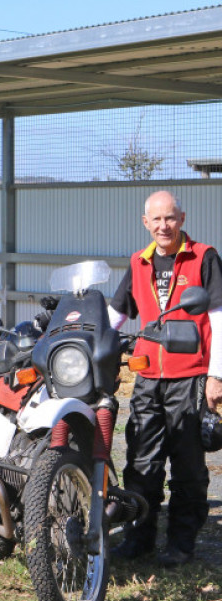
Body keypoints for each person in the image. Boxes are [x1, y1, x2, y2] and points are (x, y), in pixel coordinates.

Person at [107, 190, 222, 567]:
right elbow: (116, 315)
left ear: (182, 218)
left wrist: (217, 375)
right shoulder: (138, 263)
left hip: (189, 379)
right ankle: (139, 539)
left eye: (169, 218)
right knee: (141, 462)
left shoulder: (203, 257)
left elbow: (219, 320)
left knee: (188, 465)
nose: (163, 226)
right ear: (145, 223)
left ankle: (181, 543)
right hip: (147, 377)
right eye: (156, 219)